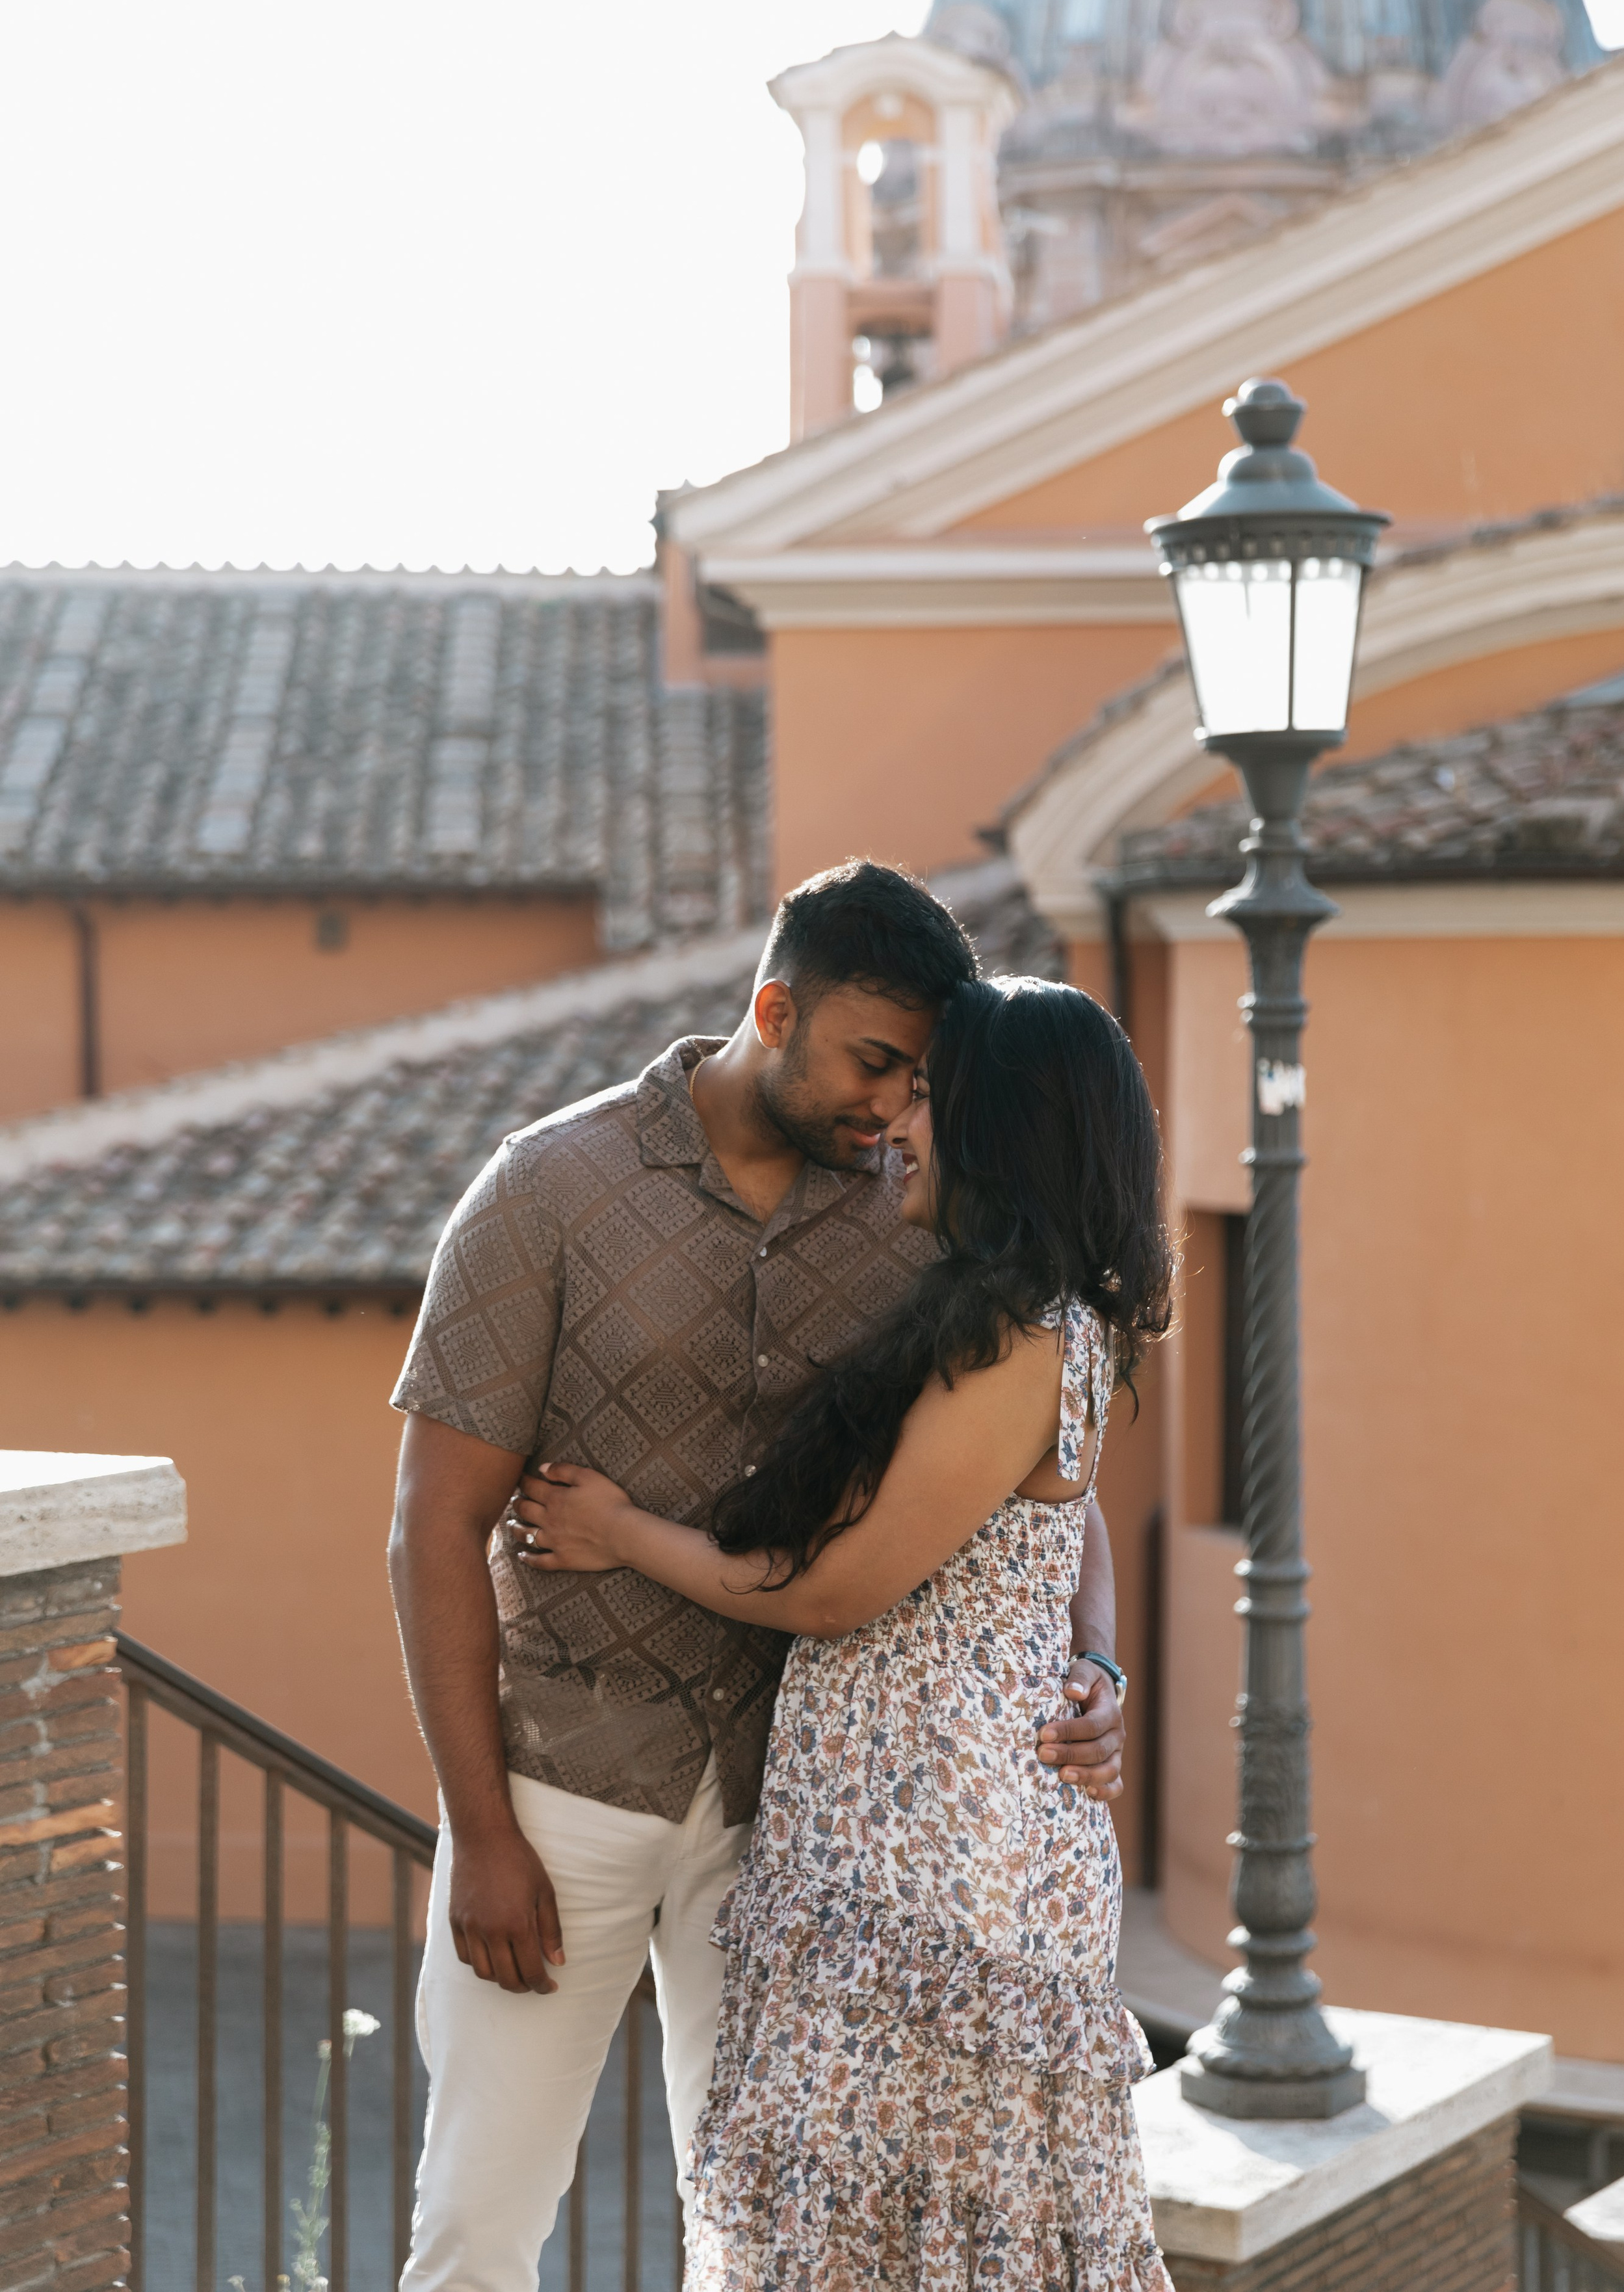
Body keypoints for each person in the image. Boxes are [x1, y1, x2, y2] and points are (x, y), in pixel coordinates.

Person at [386, 863, 1133, 2291]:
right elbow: (431, 1525)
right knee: (479, 2226)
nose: (891, 1104)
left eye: (917, 1076)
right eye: (871, 1062)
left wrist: (1090, 1657)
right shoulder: (547, 1188)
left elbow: (1043, 1482)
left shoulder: (921, 1214)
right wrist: (479, 1828)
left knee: (767, 2241)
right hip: (566, 1790)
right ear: (773, 1008)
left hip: (793, 1827)